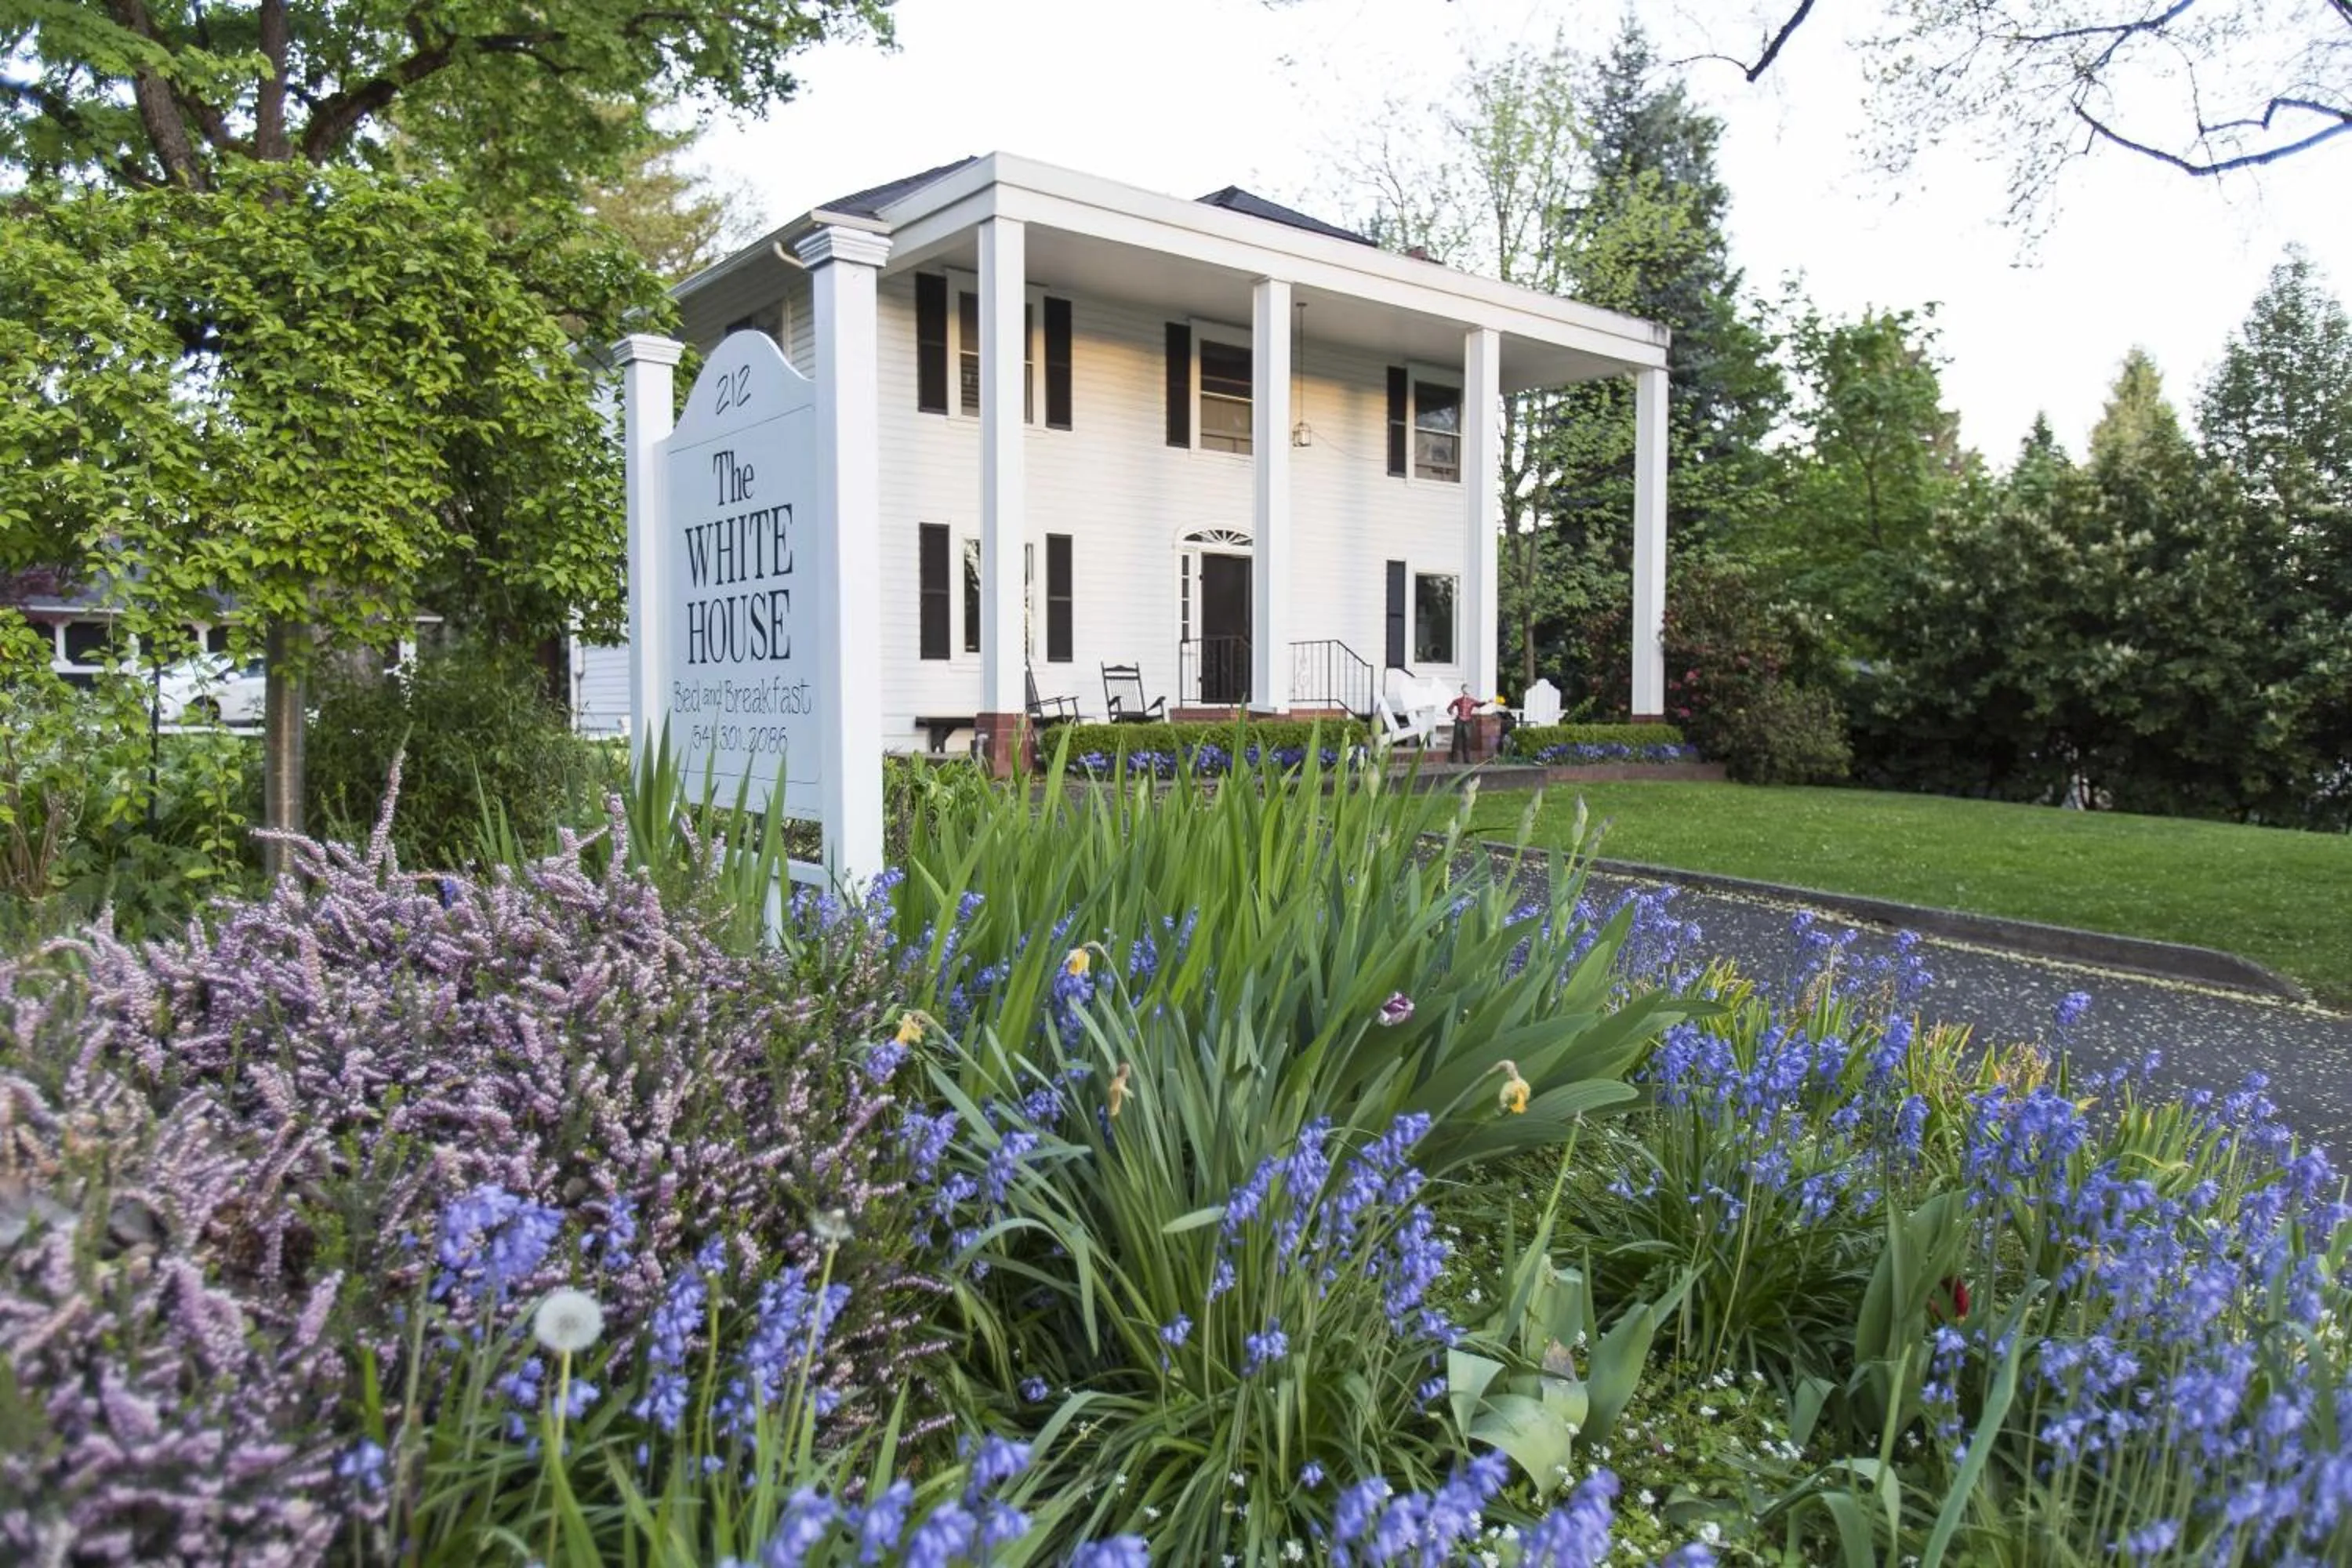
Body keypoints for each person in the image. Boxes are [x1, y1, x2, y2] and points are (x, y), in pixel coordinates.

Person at [1447, 684, 1480, 763]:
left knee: (1467, 740)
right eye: (1465, 689)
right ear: (1462, 690)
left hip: (1468, 721)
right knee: (1456, 740)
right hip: (1459, 720)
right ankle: (1454, 758)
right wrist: (1452, 713)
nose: (1467, 691)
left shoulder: (1472, 701)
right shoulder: (1458, 700)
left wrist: (1487, 702)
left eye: (1468, 689)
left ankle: (1467, 759)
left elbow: (1479, 705)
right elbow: (1449, 708)